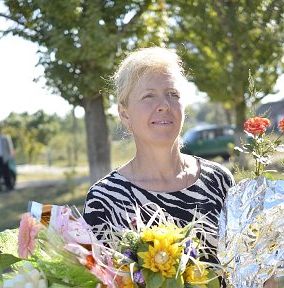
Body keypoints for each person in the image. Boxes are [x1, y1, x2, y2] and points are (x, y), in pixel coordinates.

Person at [83, 47, 234, 287]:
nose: (164, 105)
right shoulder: (104, 198)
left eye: (172, 94)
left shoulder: (219, 181)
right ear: (125, 115)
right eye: (148, 96)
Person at [0, 124, 14, 192]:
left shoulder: (5, 138)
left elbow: (10, 148)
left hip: (3, 158)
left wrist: (9, 157)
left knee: (6, 173)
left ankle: (9, 187)